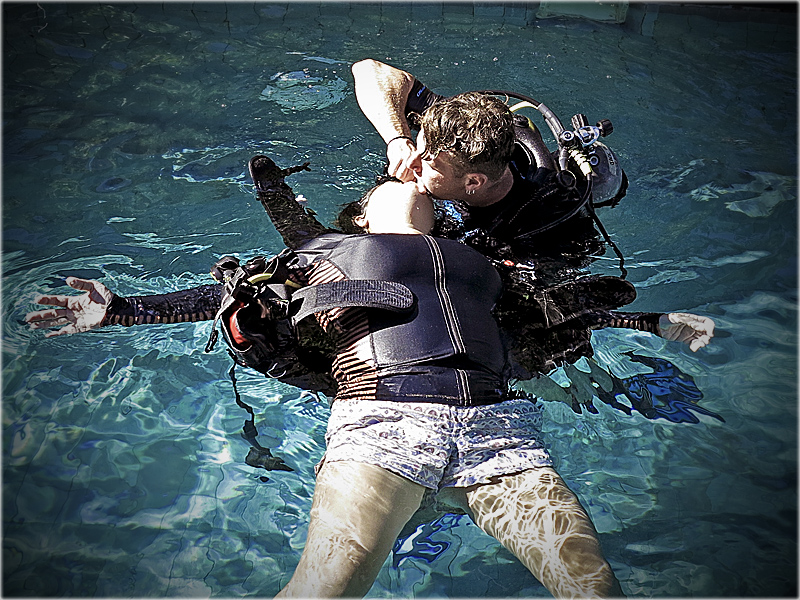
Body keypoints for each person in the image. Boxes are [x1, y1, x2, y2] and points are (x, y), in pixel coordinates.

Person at [26, 161, 715, 598]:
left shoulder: (481, 264)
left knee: (592, 587)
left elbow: (553, 319)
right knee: (325, 589)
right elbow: (234, 300)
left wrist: (654, 322)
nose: (413, 182)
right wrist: (120, 311)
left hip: (500, 434)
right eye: (396, 184)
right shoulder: (326, 253)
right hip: (385, 421)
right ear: (365, 213)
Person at [351, 58, 625, 276]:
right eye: (417, 147)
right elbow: (367, 69)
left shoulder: (538, 225)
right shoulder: (460, 128)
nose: (412, 161)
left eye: (426, 162)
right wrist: (398, 139)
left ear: (473, 182)